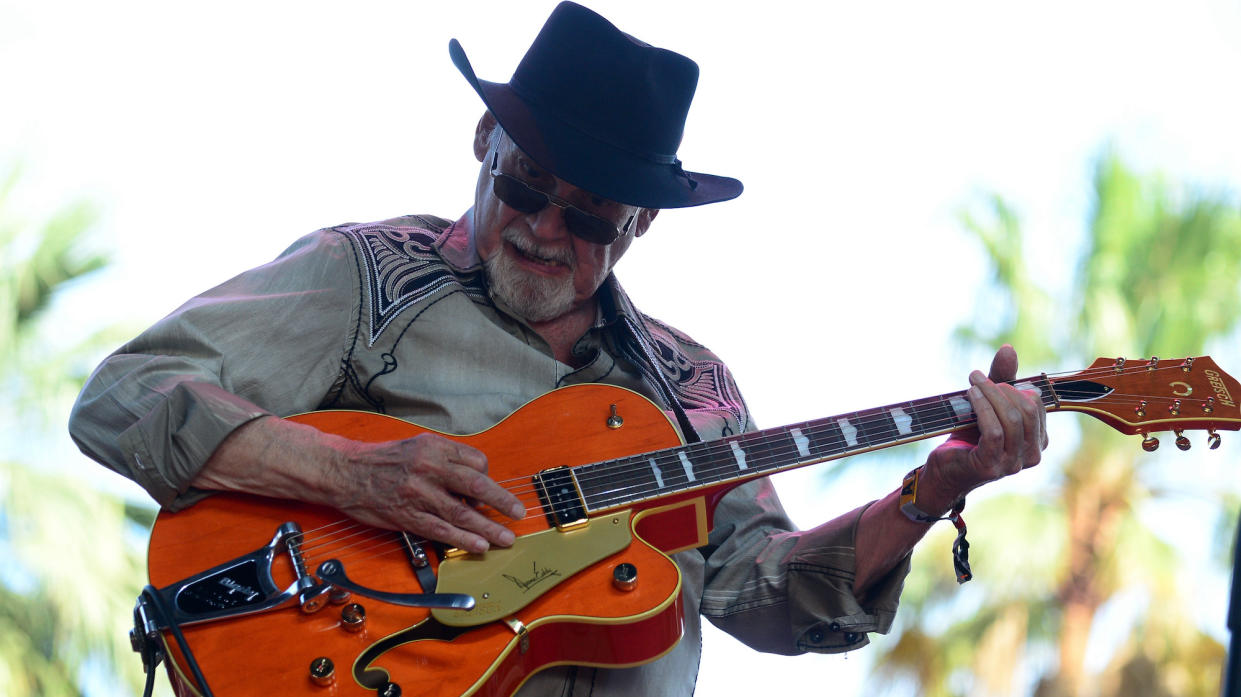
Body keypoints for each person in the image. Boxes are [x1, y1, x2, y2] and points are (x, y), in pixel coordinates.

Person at [69, 3, 1047, 695]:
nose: (543, 227)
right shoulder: (368, 273)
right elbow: (124, 396)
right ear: (483, 139)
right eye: (528, 185)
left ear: (639, 228)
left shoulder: (692, 387)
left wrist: (928, 492)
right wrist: (351, 474)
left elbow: (767, 596)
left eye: (587, 216)